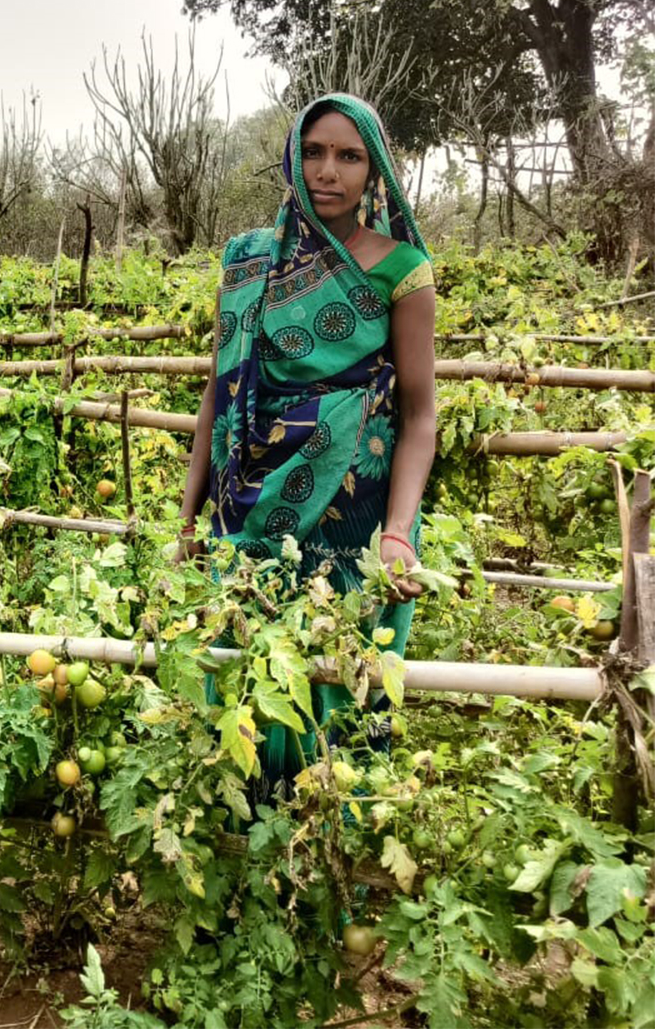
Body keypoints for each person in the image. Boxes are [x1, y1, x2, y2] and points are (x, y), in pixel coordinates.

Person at [174, 92, 437, 795]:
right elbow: (219, 390)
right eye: (314, 152)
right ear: (292, 159)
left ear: (373, 169)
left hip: (350, 520)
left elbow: (419, 416)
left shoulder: (400, 270)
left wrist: (400, 534)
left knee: (336, 690)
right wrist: (187, 518)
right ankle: (244, 860)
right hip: (248, 511)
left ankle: (326, 863)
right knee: (243, 698)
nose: (328, 171)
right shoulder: (247, 259)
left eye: (349, 156)